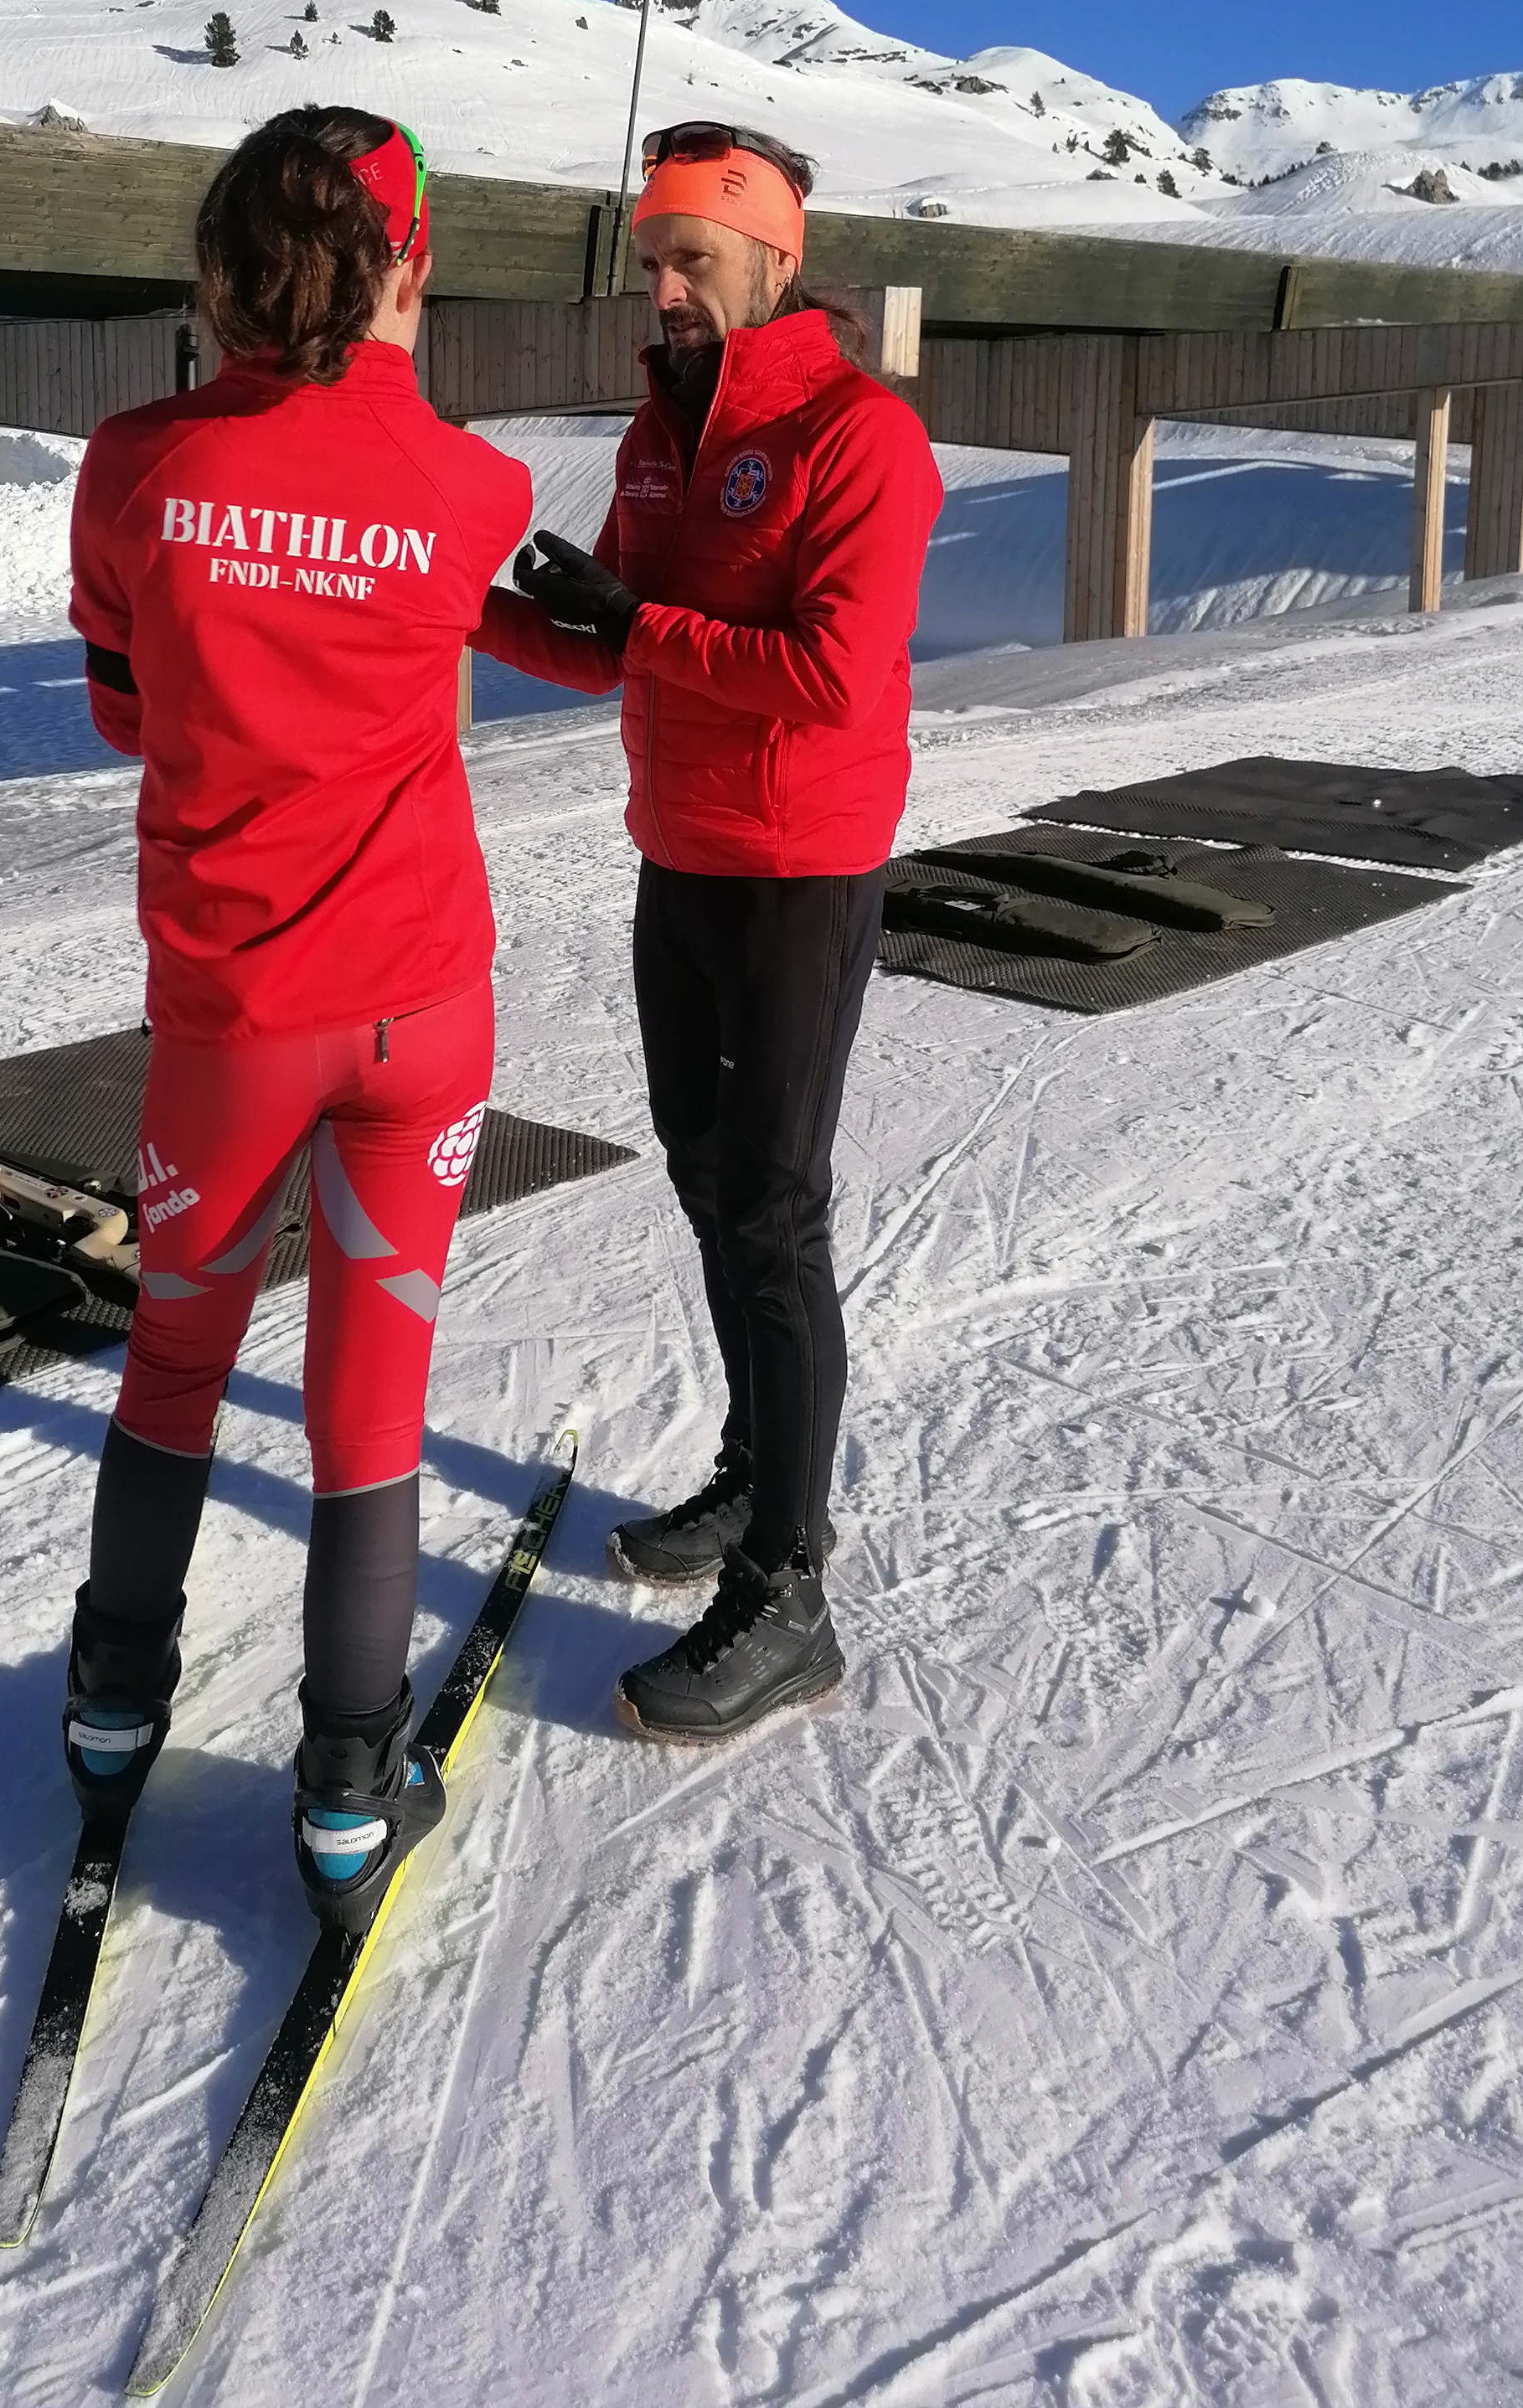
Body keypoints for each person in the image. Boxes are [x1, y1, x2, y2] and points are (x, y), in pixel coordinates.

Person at [62, 106, 532, 1931]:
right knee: (371, 1399)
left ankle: (112, 1713)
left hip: (235, 1017)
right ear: (408, 268)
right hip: (422, 1006)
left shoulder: (130, 465)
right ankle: (348, 1797)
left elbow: (123, 708)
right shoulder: (472, 486)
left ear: (217, 270)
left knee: (177, 1360)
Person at [473, 122, 942, 1742]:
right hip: (677, 858)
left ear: (777, 262)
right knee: (700, 1174)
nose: (663, 292)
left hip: (801, 871)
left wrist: (639, 621)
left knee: (773, 1208)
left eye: (693, 261)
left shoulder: (862, 436)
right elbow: (616, 656)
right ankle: (754, 1476)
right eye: (650, 263)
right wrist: (461, 598)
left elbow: (831, 669)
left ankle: (792, 1591)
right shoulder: (656, 439)